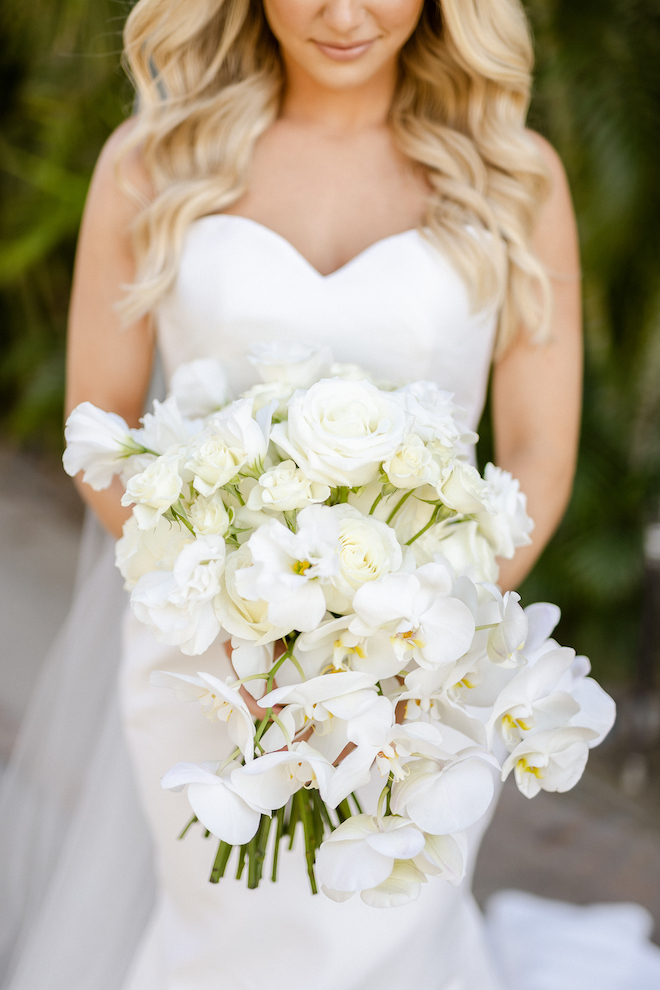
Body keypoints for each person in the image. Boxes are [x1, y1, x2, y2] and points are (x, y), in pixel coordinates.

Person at [1, 0, 659, 988]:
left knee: (388, 927)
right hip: (207, 664)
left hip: (423, 678)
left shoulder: (512, 175)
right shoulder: (153, 160)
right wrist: (233, 622)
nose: (343, 15)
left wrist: (413, 645)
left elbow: (536, 451)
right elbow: (101, 422)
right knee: (225, 936)